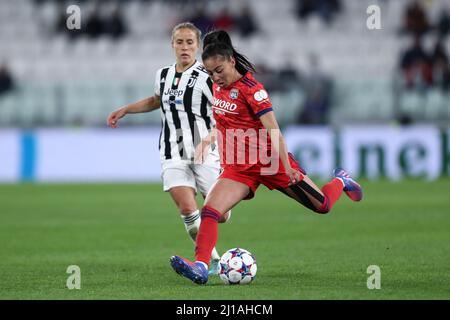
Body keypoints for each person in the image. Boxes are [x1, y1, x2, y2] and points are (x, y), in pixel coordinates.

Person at [170, 30, 363, 285]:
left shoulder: (254, 90)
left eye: (219, 70)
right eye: (210, 73)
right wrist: (209, 138)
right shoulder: (219, 86)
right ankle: (202, 266)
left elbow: (274, 130)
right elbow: (229, 122)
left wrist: (287, 166)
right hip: (239, 167)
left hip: (270, 162)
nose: (216, 78)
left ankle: (341, 180)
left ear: (231, 61)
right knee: (210, 211)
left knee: (323, 206)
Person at [107, 23, 230, 275]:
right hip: (171, 152)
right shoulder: (162, 74)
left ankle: (211, 251)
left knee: (219, 214)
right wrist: (126, 109)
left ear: (198, 46)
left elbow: (225, 115)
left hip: (205, 152)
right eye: (179, 42)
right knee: (187, 209)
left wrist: (209, 140)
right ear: (172, 45)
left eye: (189, 42)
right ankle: (211, 262)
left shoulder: (208, 76)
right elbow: (156, 100)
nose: (184, 47)